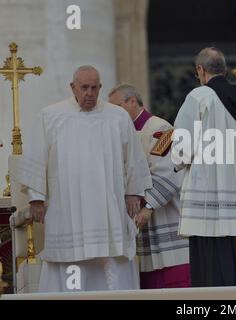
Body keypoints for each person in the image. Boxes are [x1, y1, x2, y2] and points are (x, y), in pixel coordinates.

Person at [11, 66, 152, 292]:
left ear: (100, 88)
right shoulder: (51, 116)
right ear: (72, 87)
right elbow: (36, 157)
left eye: (94, 88)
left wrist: (133, 192)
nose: (89, 93)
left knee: (110, 259)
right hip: (67, 208)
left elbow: (133, 158)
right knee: (71, 258)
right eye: (84, 87)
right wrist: (36, 198)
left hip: (108, 207)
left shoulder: (117, 117)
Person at [172, 47, 236, 287]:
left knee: (211, 274)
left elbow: (182, 148)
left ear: (201, 70)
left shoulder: (200, 97)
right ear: (224, 70)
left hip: (209, 204)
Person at [108, 84, 190, 289]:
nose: (114, 114)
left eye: (117, 106)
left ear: (133, 101)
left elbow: (169, 171)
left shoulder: (161, 130)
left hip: (164, 215)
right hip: (140, 224)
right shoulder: (123, 134)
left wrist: (149, 206)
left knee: (174, 280)